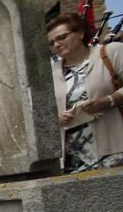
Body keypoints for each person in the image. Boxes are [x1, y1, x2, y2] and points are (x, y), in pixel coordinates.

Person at [48, 13, 123, 172]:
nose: (57, 44)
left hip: (115, 148)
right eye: (52, 42)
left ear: (80, 33)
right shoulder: (50, 73)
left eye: (62, 37)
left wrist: (108, 100)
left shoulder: (110, 52)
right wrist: (56, 118)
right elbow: (39, 112)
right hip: (73, 160)